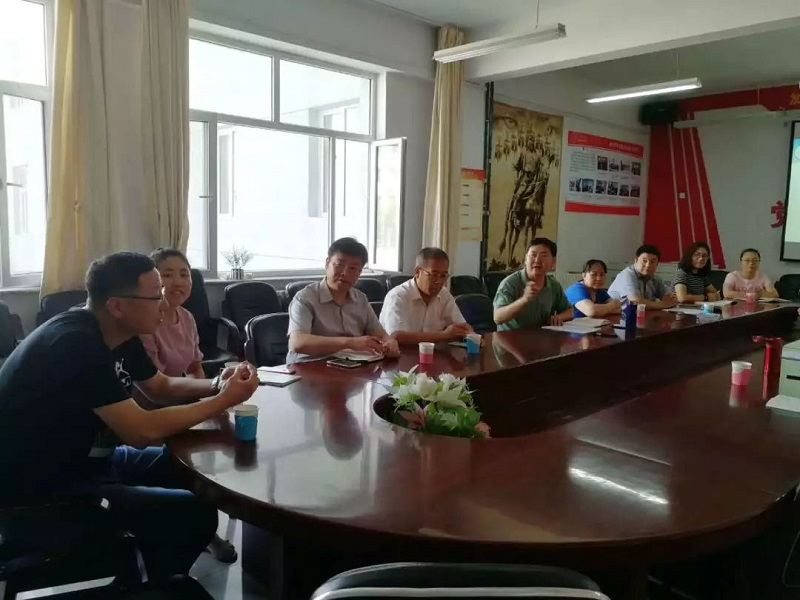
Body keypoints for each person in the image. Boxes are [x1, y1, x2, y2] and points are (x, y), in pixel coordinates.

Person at [0, 252, 259, 582]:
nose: (164, 304)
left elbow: (159, 386)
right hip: (42, 491)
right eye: (155, 296)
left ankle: (153, 568)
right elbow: (141, 431)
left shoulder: (118, 332)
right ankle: (154, 585)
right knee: (194, 512)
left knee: (182, 464)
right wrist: (225, 399)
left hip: (89, 461)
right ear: (117, 306)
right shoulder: (74, 343)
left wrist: (216, 384)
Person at [140, 247, 237, 563]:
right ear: (152, 282)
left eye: (184, 274)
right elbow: (155, 389)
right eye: (167, 274)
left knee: (220, 437)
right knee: (196, 450)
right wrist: (214, 394)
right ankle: (191, 528)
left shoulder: (187, 317)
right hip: (149, 411)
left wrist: (209, 397)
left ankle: (203, 527)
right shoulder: (145, 322)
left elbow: (195, 367)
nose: (178, 281)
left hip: (181, 399)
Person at [287, 237, 400, 363]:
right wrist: (350, 343)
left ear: (360, 272)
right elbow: (297, 342)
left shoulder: (360, 299)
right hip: (309, 366)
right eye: (339, 265)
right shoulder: (305, 298)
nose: (345, 273)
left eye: (353, 268)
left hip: (351, 366)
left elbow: (380, 334)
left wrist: (390, 342)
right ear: (327, 263)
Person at [380, 247, 472, 344]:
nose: (439, 281)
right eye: (433, 275)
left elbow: (461, 325)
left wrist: (471, 335)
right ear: (417, 272)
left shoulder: (444, 294)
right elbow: (397, 336)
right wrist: (444, 335)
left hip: (434, 352)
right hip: (401, 352)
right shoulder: (398, 296)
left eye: (443, 276)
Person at [493, 238, 573, 331]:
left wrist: (559, 317)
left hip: (542, 336)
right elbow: (497, 318)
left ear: (553, 262)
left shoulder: (553, 284)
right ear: (525, 259)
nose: (537, 260)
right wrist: (524, 300)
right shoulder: (510, 283)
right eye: (533, 255)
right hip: (511, 337)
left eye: (544, 255)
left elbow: (569, 311)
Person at [608, 244, 678, 310]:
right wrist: (663, 305)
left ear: (657, 264)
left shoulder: (655, 279)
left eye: (652, 262)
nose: (648, 265)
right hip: (615, 316)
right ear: (636, 260)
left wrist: (671, 299)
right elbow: (635, 301)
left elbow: (669, 298)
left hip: (640, 315)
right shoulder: (628, 275)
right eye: (644, 261)